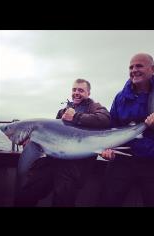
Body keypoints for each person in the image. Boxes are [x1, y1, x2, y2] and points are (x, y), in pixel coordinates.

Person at [14, 78, 111, 207]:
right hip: (52, 160)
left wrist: (76, 117)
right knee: (27, 193)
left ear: (88, 93)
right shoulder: (62, 112)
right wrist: (33, 141)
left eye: (81, 90)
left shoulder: (94, 107)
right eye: (74, 89)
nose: (76, 92)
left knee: (63, 200)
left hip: (75, 167)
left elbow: (105, 119)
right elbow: (50, 135)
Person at [100, 53, 154, 207]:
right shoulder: (120, 98)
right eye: (131, 67)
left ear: (152, 69)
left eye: (139, 66)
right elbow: (112, 127)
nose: (134, 70)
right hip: (122, 161)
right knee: (107, 201)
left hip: (153, 163)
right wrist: (107, 148)